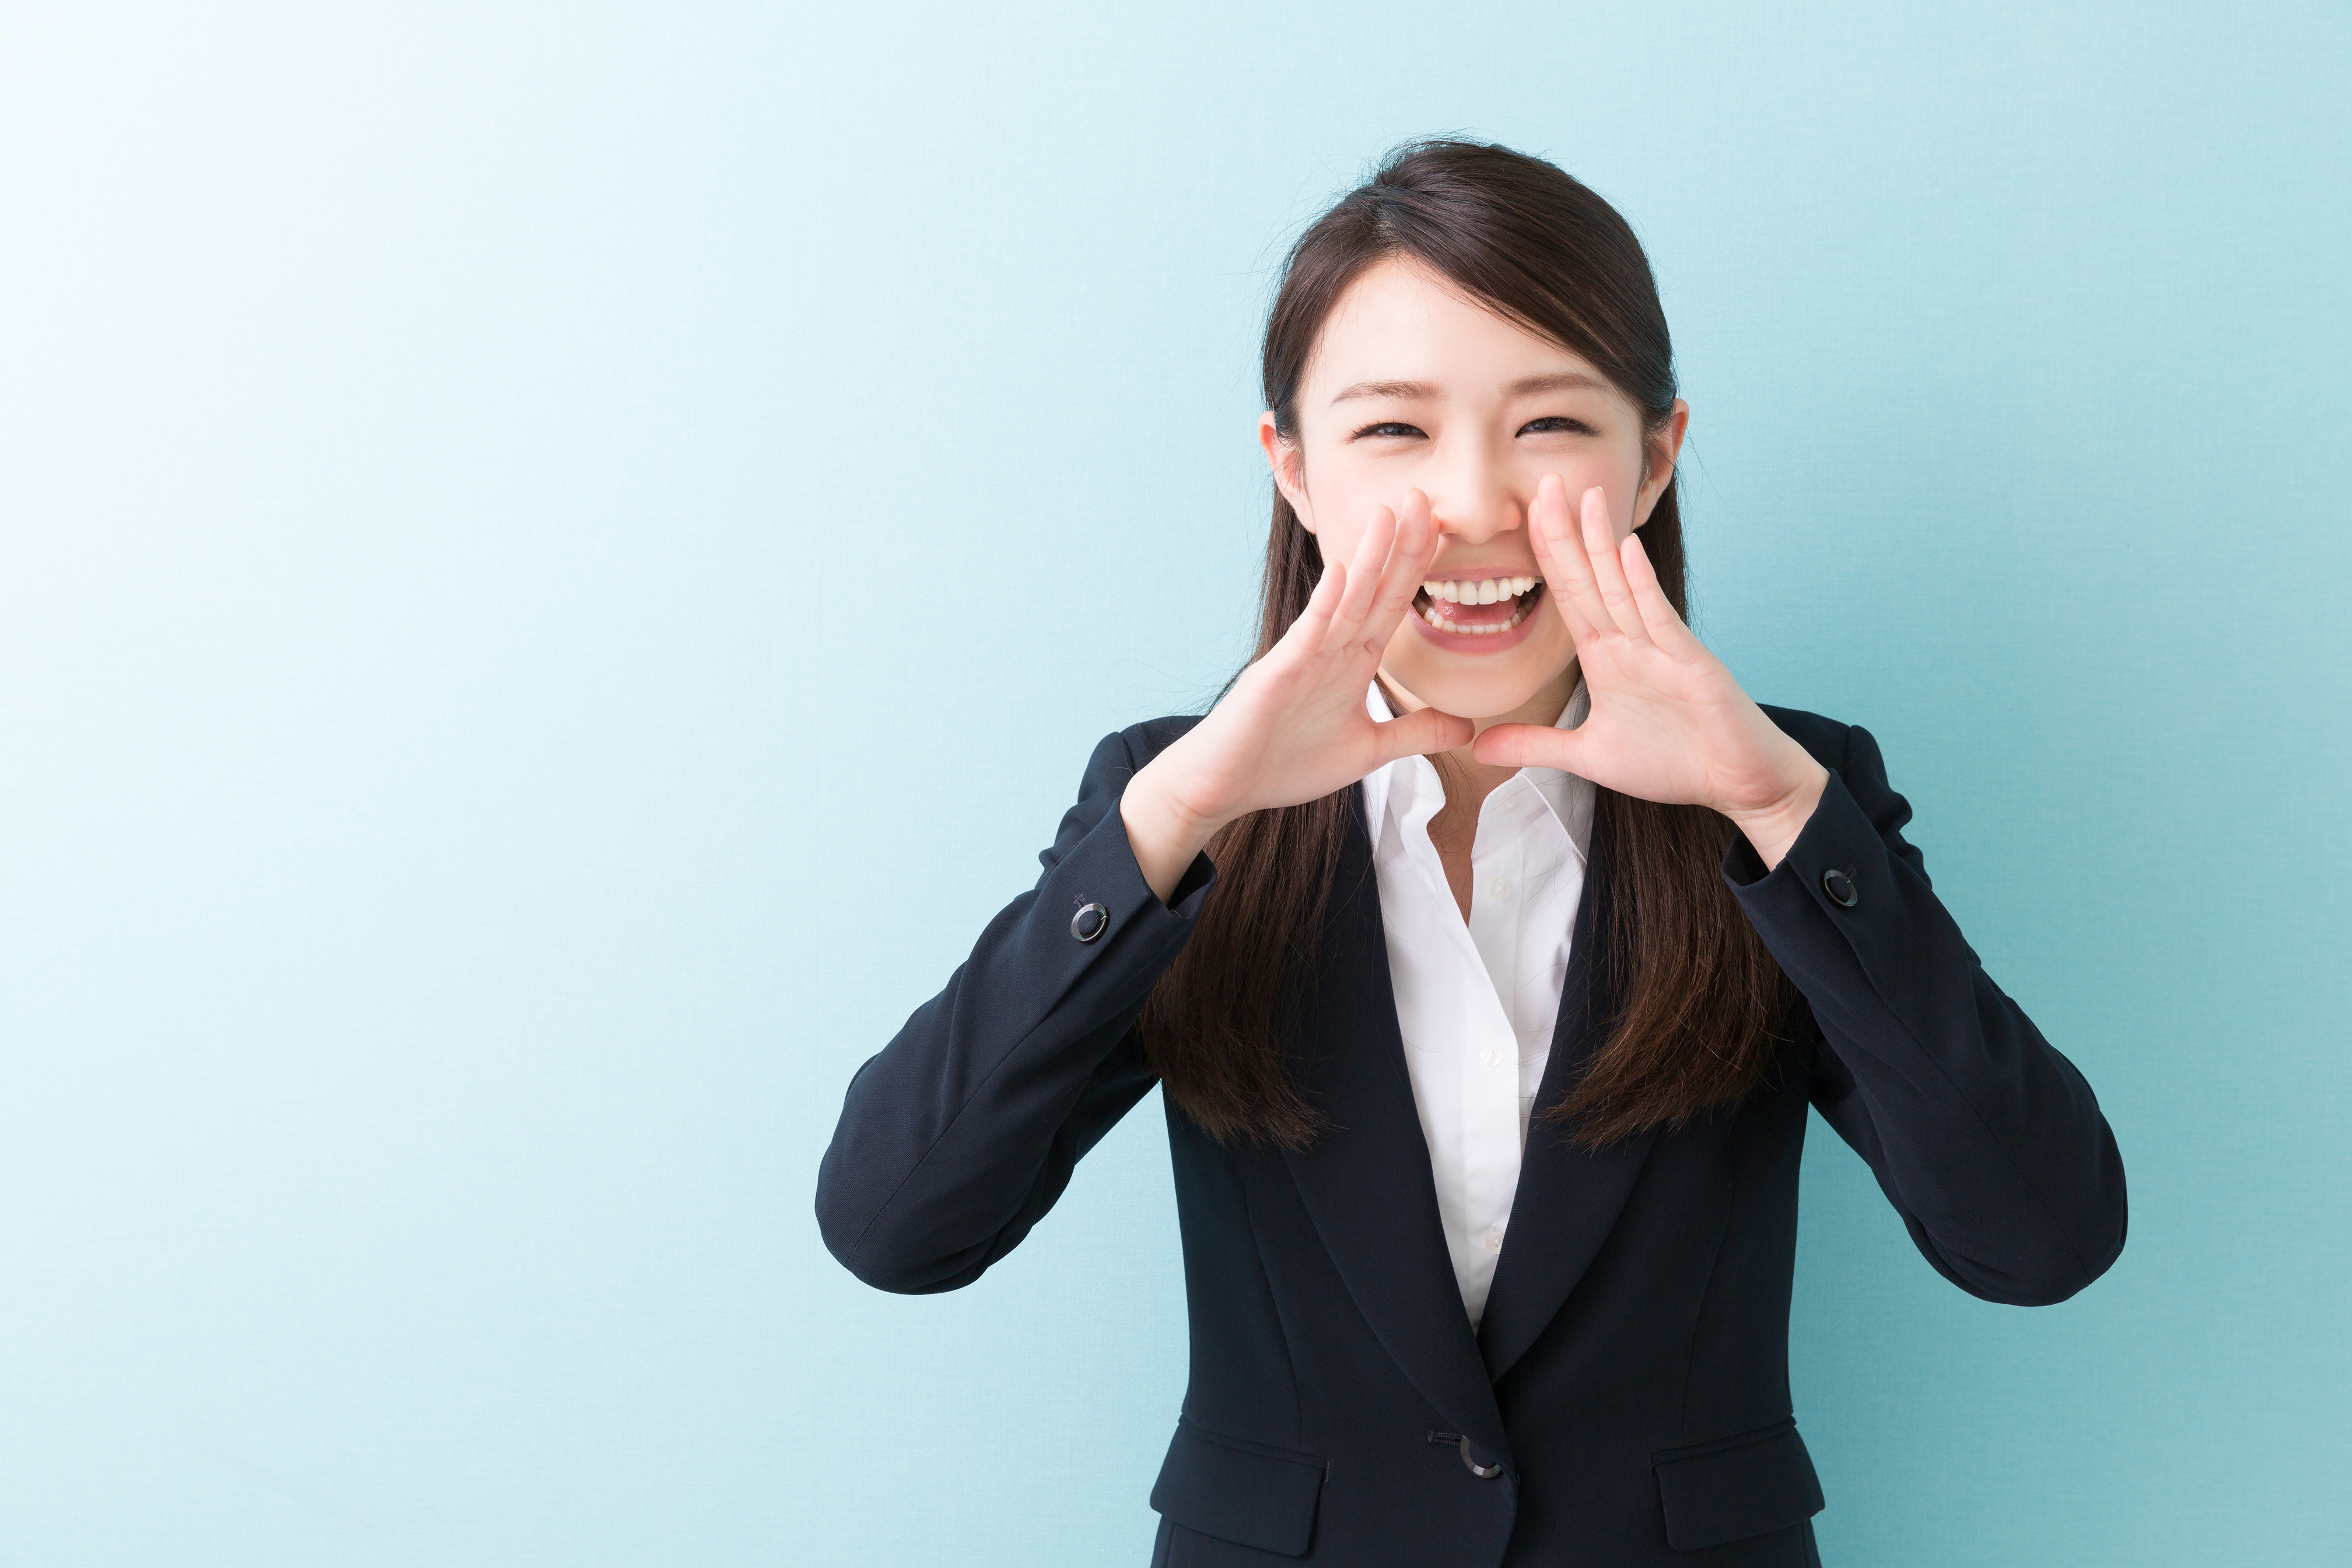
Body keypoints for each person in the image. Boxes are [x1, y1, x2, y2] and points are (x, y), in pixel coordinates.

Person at [813, 139, 2126, 1567]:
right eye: (1394, 432)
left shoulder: (1794, 797)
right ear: (1295, 470)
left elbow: (2037, 1241)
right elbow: (897, 1225)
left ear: (1655, 457)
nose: (1482, 505)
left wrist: (1777, 812)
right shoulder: (1171, 805)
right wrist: (1179, 822)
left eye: (1551, 424)